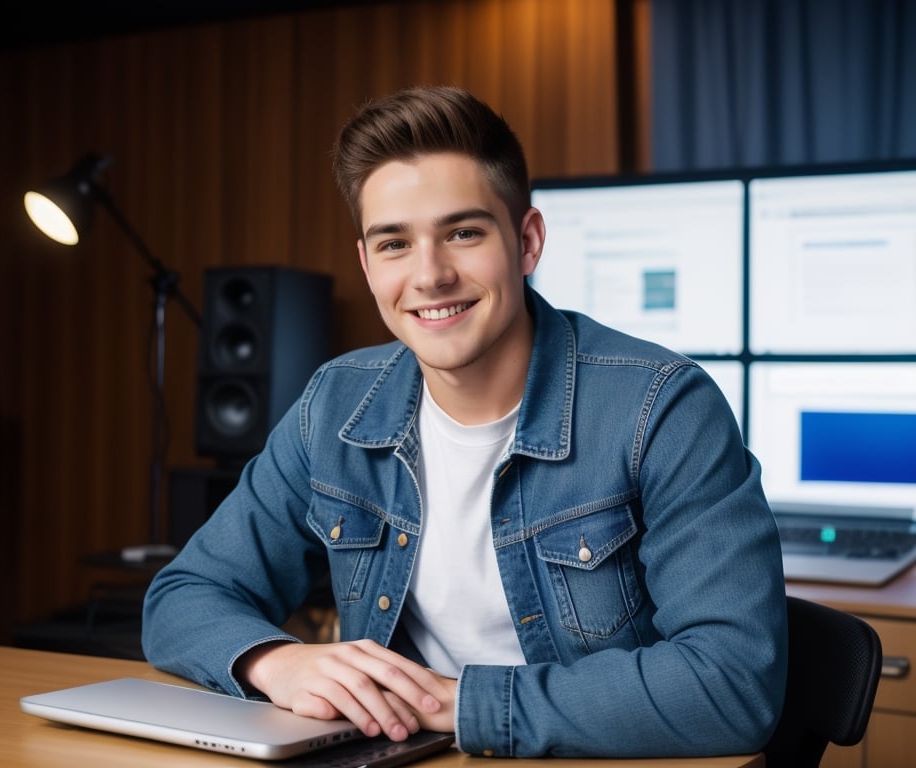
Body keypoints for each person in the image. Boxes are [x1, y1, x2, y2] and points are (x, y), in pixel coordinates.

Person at [142, 85, 788, 758]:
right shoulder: (335, 406)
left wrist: (457, 703)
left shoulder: (662, 408)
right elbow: (184, 596)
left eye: (463, 233)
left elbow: (733, 684)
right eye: (394, 243)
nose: (430, 275)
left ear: (528, 241)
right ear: (367, 264)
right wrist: (276, 662)